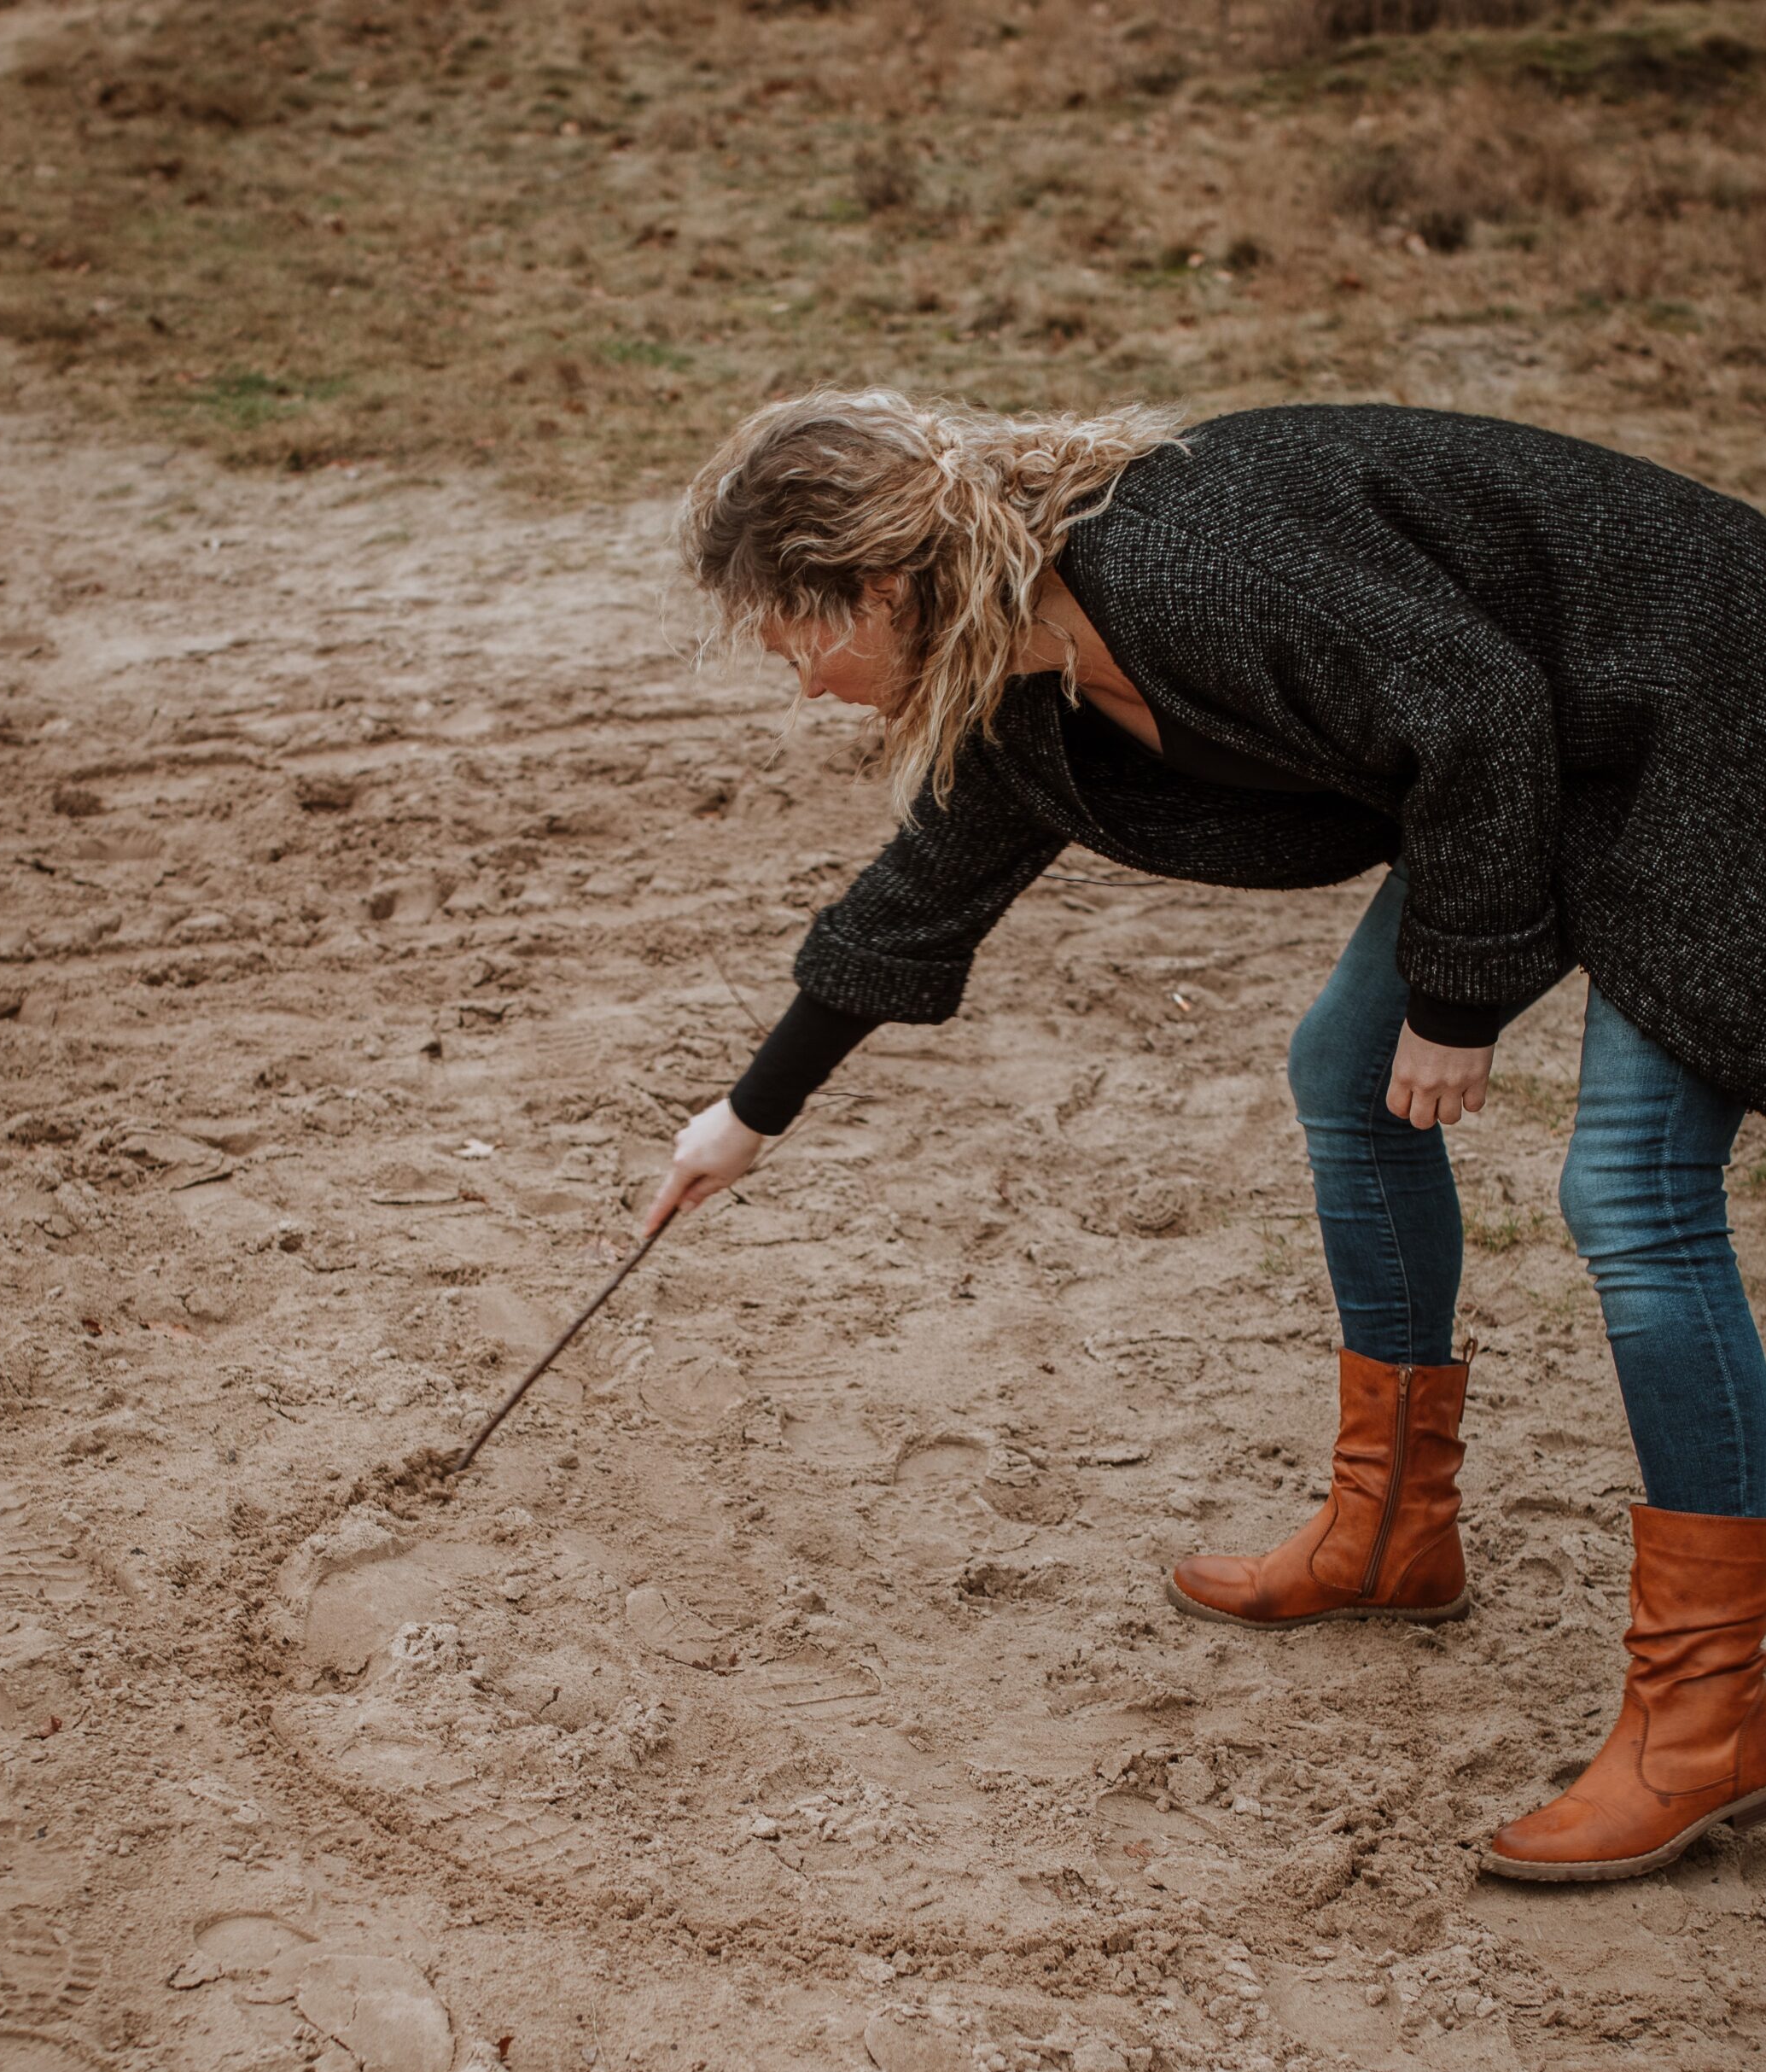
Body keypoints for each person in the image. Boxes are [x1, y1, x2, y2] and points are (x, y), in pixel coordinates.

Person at [644, 387, 1766, 1884]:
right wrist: (746, 1116)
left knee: (1629, 1187)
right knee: (1339, 1072)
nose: (803, 689)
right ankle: (1390, 1531)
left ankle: (1714, 1711)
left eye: (801, 648)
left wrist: (1458, 999)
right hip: (1560, 743)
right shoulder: (1027, 677)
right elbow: (929, 886)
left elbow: (1476, 709)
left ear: (880, 586)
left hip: (1712, 712)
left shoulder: (1185, 562)